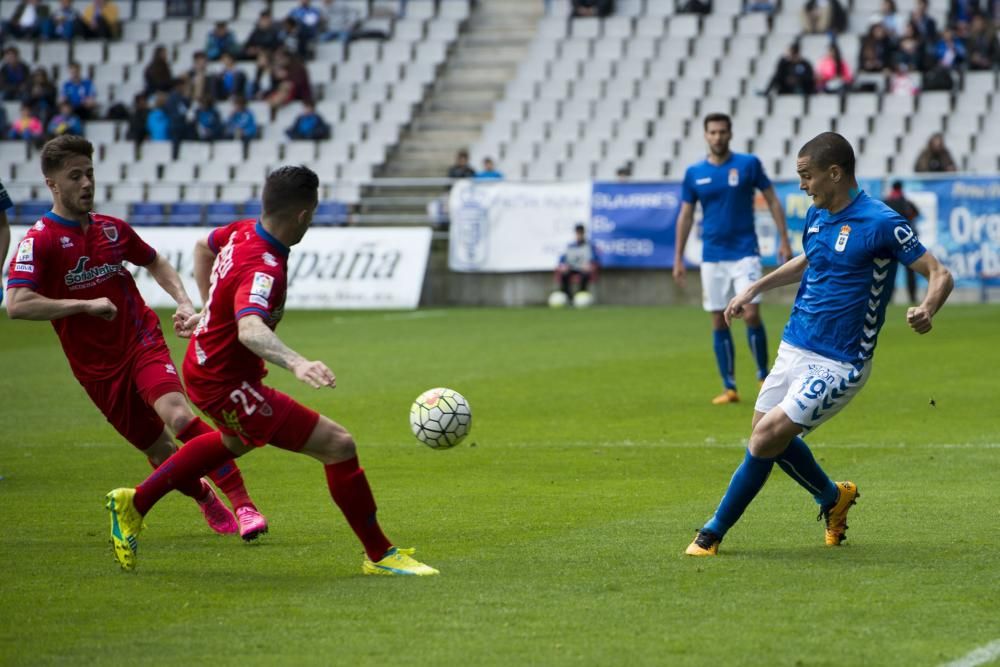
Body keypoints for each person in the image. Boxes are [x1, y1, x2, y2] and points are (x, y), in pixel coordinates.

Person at [105, 165, 440, 577]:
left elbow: (202, 247)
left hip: (206, 364)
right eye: (312, 215)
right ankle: (380, 554)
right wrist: (298, 362)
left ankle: (135, 502)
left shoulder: (244, 230)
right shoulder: (265, 267)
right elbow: (250, 329)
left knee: (234, 441)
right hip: (227, 382)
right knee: (338, 445)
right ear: (303, 215)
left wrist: (211, 310)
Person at [686, 132, 954, 557]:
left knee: (765, 439)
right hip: (795, 344)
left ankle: (711, 534)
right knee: (763, 435)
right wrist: (754, 287)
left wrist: (927, 308)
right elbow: (809, 258)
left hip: (841, 361)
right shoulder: (818, 214)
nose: (802, 185)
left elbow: (939, 273)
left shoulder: (882, 222)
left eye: (806, 176)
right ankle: (833, 498)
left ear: (835, 173)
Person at [5, 136, 268, 541]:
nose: (87, 183)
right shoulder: (38, 241)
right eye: (75, 176)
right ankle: (204, 497)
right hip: (95, 369)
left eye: (89, 173)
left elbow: (154, 261)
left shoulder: (112, 229)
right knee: (160, 450)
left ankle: (244, 505)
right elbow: (17, 304)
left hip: (140, 340)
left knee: (178, 415)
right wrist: (84, 306)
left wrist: (183, 302)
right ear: (52, 185)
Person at [673, 113, 792, 405]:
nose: (717, 137)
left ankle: (764, 376)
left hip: (744, 252)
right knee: (718, 318)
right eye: (712, 132)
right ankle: (730, 388)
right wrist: (677, 257)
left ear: (730, 134)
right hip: (712, 256)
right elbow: (686, 214)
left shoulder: (748, 165)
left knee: (750, 312)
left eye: (722, 132)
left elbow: (773, 198)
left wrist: (784, 239)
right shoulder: (694, 173)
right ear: (705, 135)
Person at [883, 180, 922, 304]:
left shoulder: (886, 202)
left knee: (889, 272)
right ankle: (912, 297)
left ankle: (889, 298)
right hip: (905, 240)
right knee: (910, 270)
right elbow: (917, 213)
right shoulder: (906, 202)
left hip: (889, 242)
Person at [556, 224, 598, 300]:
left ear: (583, 233)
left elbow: (595, 259)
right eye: (578, 233)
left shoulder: (590, 246)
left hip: (584, 269)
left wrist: (590, 265)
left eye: (581, 233)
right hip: (572, 268)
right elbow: (562, 259)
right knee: (564, 275)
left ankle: (581, 297)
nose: (579, 235)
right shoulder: (570, 246)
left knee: (585, 276)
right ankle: (568, 297)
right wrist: (563, 266)